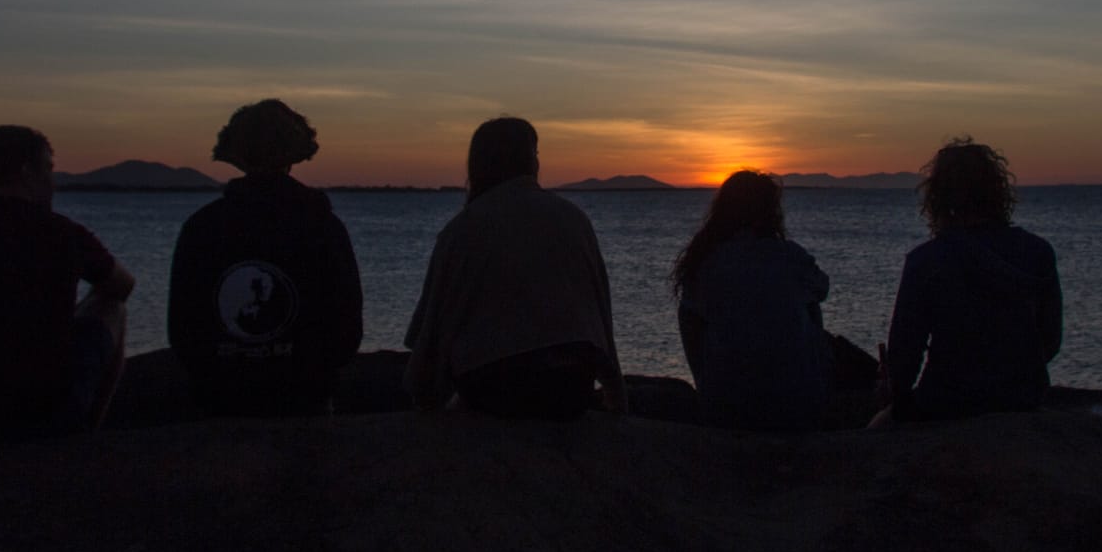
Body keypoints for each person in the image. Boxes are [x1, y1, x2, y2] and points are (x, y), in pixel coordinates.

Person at [403, 117, 627, 419]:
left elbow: (433, 325)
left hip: (494, 390)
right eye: (535, 154)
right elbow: (600, 308)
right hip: (569, 388)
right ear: (529, 160)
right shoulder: (573, 219)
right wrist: (614, 388)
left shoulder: (463, 230)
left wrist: (424, 391)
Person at [0, 125, 135, 441]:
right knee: (113, 308)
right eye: (49, 169)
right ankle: (86, 432)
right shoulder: (62, 232)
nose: (54, 182)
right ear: (26, 172)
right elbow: (123, 285)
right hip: (39, 409)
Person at [169, 99, 363, 416]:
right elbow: (346, 325)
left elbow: (183, 329)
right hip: (305, 398)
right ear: (294, 153)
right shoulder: (323, 226)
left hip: (219, 399)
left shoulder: (202, 228)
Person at [875, 137, 1062, 423]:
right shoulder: (1038, 252)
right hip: (1022, 397)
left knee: (876, 427)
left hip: (947, 401)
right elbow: (1050, 340)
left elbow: (905, 355)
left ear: (938, 195)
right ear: (997, 190)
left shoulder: (926, 260)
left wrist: (892, 393)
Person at [672, 170, 831, 431]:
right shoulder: (790, 257)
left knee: (691, 314)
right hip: (798, 402)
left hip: (726, 401)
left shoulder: (708, 262)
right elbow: (822, 287)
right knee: (810, 303)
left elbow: (691, 321)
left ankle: (707, 385)